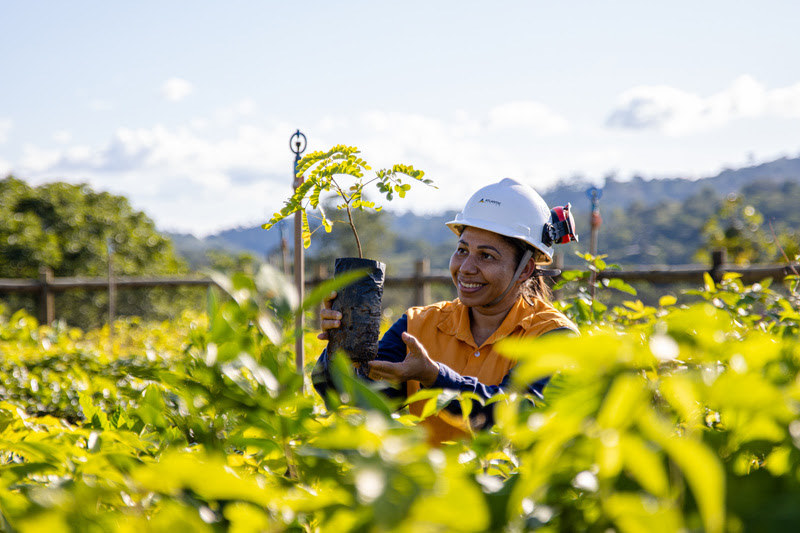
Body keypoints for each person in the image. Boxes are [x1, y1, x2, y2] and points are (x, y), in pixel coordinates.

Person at [313, 178, 579, 444]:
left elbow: (513, 418)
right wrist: (341, 346)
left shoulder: (552, 336)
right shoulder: (419, 325)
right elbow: (355, 404)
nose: (466, 268)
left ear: (526, 270)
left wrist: (434, 377)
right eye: (462, 250)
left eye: (486, 256)